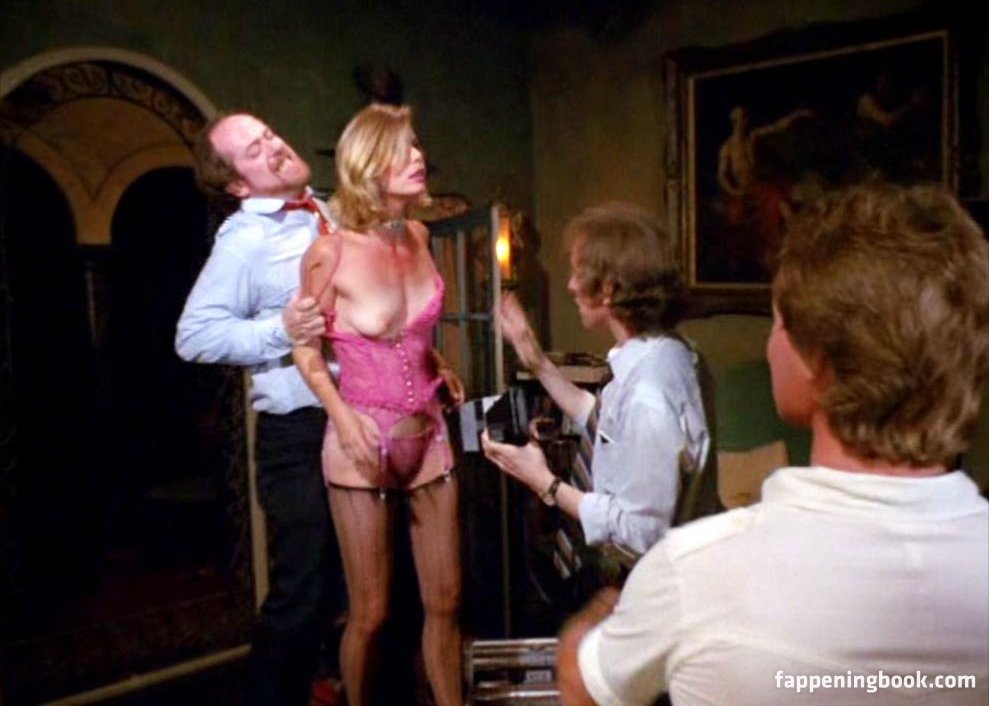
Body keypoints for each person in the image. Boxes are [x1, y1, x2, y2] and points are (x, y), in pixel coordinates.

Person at [559, 181, 989, 706]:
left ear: (814, 362)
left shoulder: (694, 573)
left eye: (780, 321)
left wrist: (587, 630)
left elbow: (583, 687)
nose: (771, 342)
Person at [292, 103, 465, 706]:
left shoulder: (420, 236)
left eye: (418, 146)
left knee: (447, 599)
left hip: (429, 433)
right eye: (403, 149)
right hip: (361, 438)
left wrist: (437, 362)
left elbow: (406, 330)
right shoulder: (330, 253)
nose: (419, 157)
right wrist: (342, 418)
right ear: (368, 164)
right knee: (370, 612)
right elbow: (306, 350)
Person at [175, 112, 345, 706]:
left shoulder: (330, 211)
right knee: (304, 591)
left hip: (362, 417)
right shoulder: (245, 239)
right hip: (300, 432)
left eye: (269, 134)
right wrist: (280, 330)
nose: (274, 146)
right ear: (238, 185)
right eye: (253, 150)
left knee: (362, 584)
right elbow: (194, 336)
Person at [481, 203, 712, 562]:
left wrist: (543, 481)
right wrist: (534, 357)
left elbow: (639, 533)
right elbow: (609, 424)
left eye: (578, 273)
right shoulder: (664, 352)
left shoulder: (648, 393)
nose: (571, 285)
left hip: (645, 575)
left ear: (609, 289)